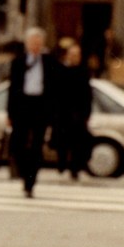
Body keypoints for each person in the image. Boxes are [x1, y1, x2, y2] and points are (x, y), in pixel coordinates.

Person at [6, 26, 57, 198]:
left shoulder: (49, 62)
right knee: (18, 144)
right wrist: (9, 113)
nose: (35, 45)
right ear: (27, 44)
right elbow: (12, 89)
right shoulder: (18, 62)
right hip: (22, 106)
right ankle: (22, 170)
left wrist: (52, 113)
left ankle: (30, 182)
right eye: (32, 42)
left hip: (40, 106)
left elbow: (55, 88)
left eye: (38, 42)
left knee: (36, 146)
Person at [53, 42, 92, 180]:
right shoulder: (60, 70)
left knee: (78, 143)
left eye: (78, 55)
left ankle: (74, 168)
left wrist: (86, 114)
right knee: (62, 141)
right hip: (63, 113)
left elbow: (88, 95)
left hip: (78, 114)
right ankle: (62, 164)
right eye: (73, 55)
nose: (75, 57)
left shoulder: (83, 72)